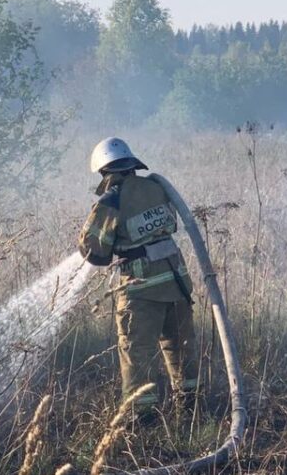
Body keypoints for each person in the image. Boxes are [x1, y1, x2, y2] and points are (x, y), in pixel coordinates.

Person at [78, 137, 198, 423]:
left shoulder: (111, 200)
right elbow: (171, 223)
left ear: (104, 170)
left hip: (140, 291)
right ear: (131, 164)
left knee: (137, 353)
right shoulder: (157, 187)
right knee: (181, 347)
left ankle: (141, 420)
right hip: (177, 283)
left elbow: (93, 250)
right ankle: (190, 410)